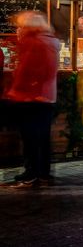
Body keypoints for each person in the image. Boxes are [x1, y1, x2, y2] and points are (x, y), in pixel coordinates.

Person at [3, 12, 58, 188]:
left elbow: (27, 70)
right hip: (47, 96)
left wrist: (15, 90)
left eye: (21, 26)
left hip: (31, 96)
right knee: (42, 137)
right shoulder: (50, 41)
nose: (18, 29)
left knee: (30, 137)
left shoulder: (33, 42)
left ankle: (31, 174)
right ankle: (43, 173)